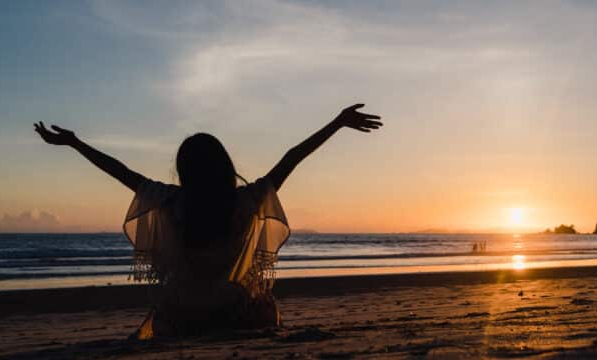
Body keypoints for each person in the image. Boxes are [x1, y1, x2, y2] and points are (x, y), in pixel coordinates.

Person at [34, 104, 382, 338]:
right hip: (231, 314)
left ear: (185, 170)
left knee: (166, 309)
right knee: (263, 302)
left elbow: (120, 171)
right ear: (225, 166)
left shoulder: (171, 200)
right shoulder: (246, 201)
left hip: (180, 316)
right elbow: (292, 157)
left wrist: (74, 143)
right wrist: (337, 124)